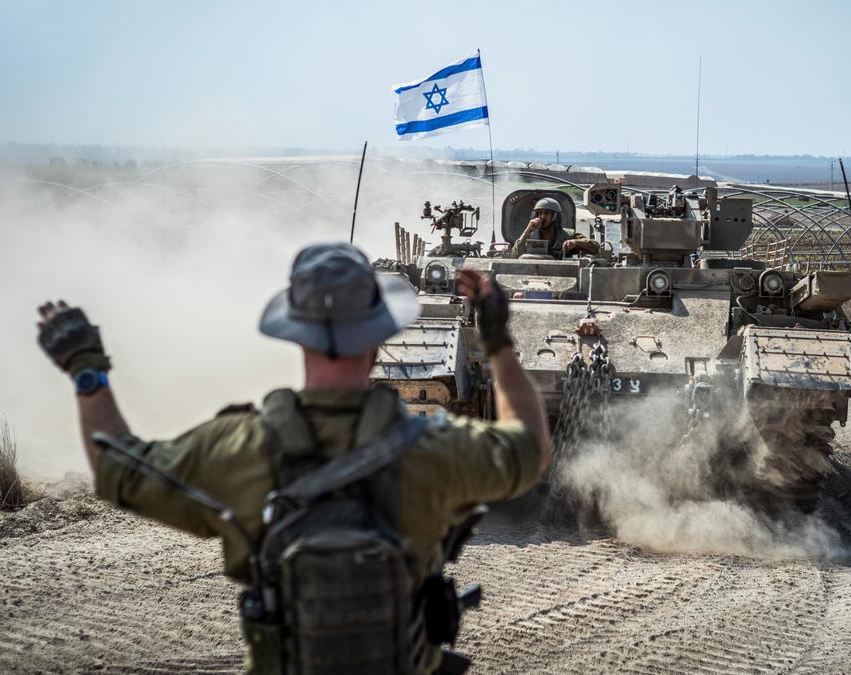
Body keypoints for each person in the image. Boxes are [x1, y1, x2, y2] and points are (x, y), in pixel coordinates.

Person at [35, 242, 551, 674]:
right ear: (380, 336)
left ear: (295, 331)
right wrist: (499, 343)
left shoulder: (239, 446)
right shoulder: (437, 447)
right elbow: (528, 447)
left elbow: (115, 470)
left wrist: (87, 371)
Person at [509, 197, 599, 259]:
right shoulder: (530, 237)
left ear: (555, 217)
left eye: (546, 213)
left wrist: (576, 243)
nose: (542, 216)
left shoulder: (568, 235)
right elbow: (514, 256)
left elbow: (595, 247)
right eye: (539, 213)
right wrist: (527, 231)